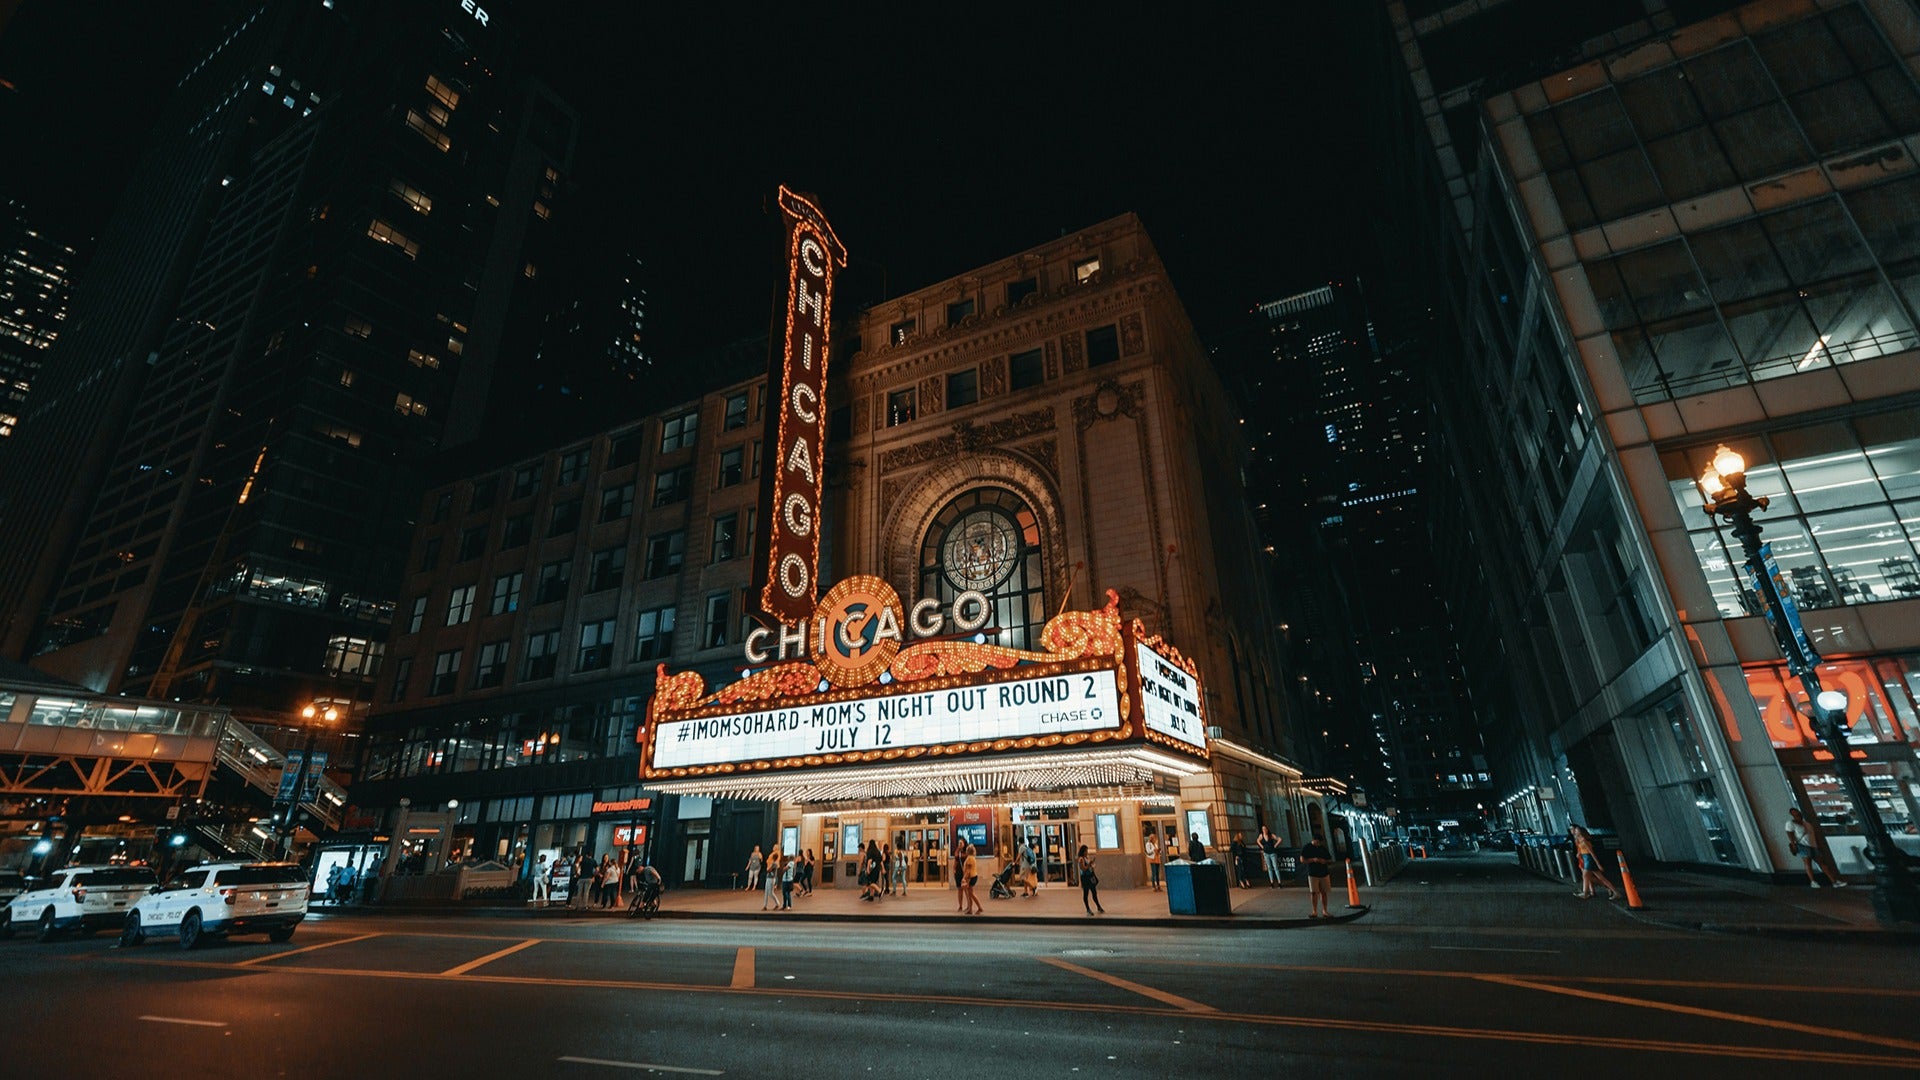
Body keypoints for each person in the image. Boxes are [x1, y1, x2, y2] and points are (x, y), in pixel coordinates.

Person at [1786, 807, 1848, 888]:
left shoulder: (1807, 824)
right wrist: (1793, 845)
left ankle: (1833, 881)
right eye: (1794, 813)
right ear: (1792, 815)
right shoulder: (1790, 823)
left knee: (1821, 863)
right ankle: (1813, 881)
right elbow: (1790, 834)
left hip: (1812, 845)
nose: (1797, 814)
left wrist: (1817, 845)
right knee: (1808, 863)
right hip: (1802, 845)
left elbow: (1813, 835)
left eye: (1797, 812)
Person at [1568, 825, 1620, 901]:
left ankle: (1585, 893)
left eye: (1576, 830)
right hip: (1586, 859)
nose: (1575, 831)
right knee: (1600, 878)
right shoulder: (1579, 840)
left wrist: (1598, 864)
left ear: (1581, 832)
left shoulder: (1584, 840)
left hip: (1589, 859)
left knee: (1586, 876)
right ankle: (1615, 891)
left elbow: (1591, 852)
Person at [1300, 832, 1334, 917]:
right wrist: (1312, 860)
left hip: (1324, 873)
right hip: (1313, 873)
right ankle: (1314, 911)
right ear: (1314, 840)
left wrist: (1324, 861)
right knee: (1314, 892)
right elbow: (1302, 859)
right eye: (1317, 842)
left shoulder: (1323, 848)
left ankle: (1325, 911)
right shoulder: (1307, 847)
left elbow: (1330, 860)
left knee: (1324, 892)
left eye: (1319, 843)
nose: (1318, 844)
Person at [1077, 844, 1105, 915]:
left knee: (1094, 892)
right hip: (1085, 878)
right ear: (1083, 851)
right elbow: (1083, 868)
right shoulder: (1081, 859)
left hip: (1090, 876)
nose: (1087, 852)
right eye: (1086, 851)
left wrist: (1091, 865)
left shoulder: (1086, 858)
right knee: (1086, 893)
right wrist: (1089, 864)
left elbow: (1089, 867)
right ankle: (1088, 909)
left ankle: (1098, 906)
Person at [960, 842, 984, 915]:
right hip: (973, 876)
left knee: (971, 894)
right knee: (970, 894)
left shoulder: (970, 858)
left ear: (968, 851)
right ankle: (970, 909)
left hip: (971, 877)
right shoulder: (972, 858)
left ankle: (979, 907)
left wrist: (964, 878)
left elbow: (968, 870)